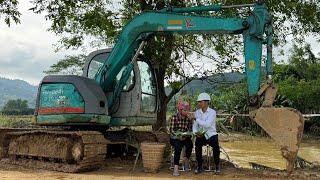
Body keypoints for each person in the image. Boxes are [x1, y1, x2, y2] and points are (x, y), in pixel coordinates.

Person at [193, 92, 220, 174]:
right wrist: (195, 133)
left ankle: (217, 165)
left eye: (200, 102)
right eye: (199, 102)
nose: (199, 103)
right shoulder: (197, 112)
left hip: (211, 134)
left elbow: (208, 125)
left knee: (216, 146)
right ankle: (199, 166)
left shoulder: (212, 112)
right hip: (201, 135)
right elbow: (195, 126)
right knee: (197, 144)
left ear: (206, 102)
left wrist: (196, 119)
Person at [169, 100, 193, 176]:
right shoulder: (174, 117)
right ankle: (176, 168)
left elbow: (190, 130)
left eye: (187, 110)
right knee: (178, 146)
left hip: (185, 137)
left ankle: (186, 160)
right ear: (180, 110)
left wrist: (186, 135)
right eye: (185, 110)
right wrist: (178, 136)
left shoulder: (188, 119)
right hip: (175, 138)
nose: (187, 112)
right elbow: (172, 130)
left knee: (190, 145)